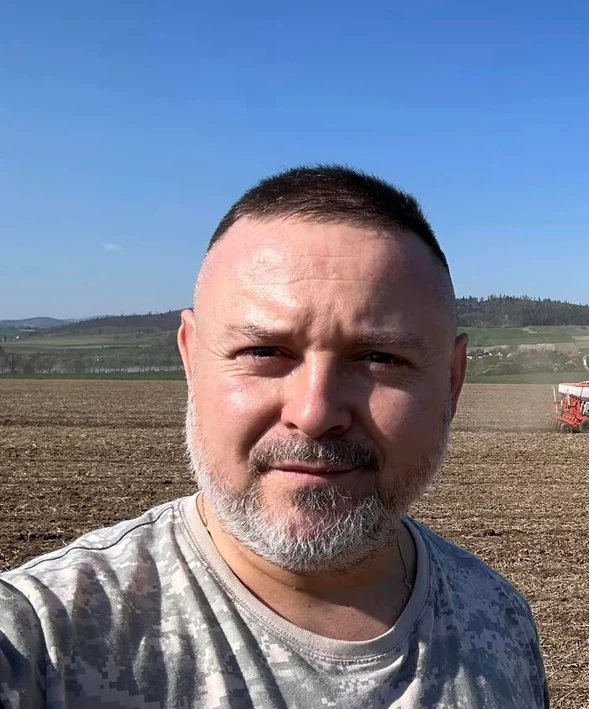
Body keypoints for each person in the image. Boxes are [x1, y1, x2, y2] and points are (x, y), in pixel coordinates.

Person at [0, 166, 550, 707]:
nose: (314, 414)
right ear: (192, 359)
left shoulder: (501, 619)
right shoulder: (44, 642)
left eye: (380, 357)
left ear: (452, 382)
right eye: (264, 352)